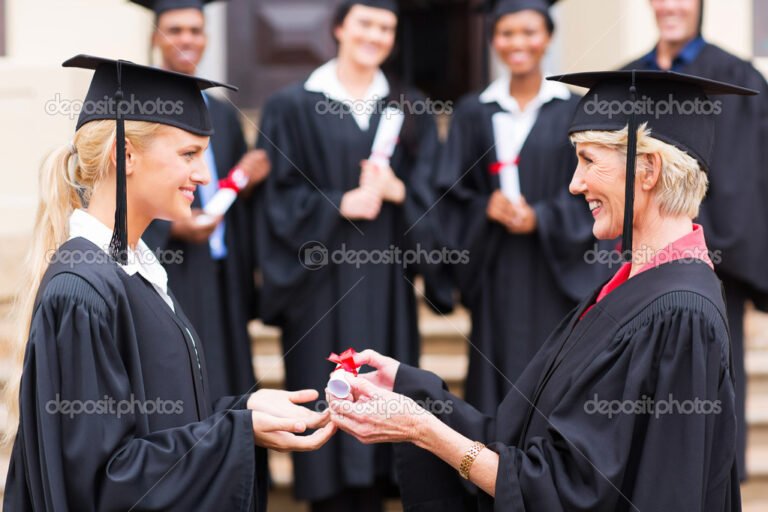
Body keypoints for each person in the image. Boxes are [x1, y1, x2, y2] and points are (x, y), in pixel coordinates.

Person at [328, 70, 755, 511]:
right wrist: (411, 390)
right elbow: (527, 439)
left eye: (589, 160)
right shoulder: (629, 287)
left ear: (648, 170)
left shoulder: (680, 314)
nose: (575, 183)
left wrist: (423, 430)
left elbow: (574, 491)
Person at [3, 55, 335, 511]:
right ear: (126, 156)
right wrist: (236, 432)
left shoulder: (137, 271)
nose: (204, 175)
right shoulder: (82, 291)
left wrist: (242, 414)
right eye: (188, 155)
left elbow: (158, 424)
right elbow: (102, 484)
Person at [255, 0, 449, 509]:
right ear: (340, 27)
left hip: (386, 288)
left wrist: (400, 193)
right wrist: (338, 203)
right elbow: (275, 200)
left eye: (386, 27)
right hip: (318, 290)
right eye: (365, 23)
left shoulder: (412, 108)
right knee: (326, 408)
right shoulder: (291, 107)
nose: (376, 35)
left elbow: (439, 195)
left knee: (385, 399)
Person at [436, 0, 611, 415]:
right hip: (497, 273)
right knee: (498, 383)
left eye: (530, 32)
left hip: (558, 276)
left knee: (559, 379)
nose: (518, 43)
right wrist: (484, 208)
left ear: (548, 38)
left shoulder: (576, 109)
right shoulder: (472, 112)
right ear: (493, 40)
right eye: (507, 33)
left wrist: (542, 217)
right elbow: (450, 197)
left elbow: (601, 190)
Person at [621, 0, 768, 480]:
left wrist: (704, 245)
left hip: (717, 264)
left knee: (711, 385)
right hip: (636, 259)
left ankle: (712, 486)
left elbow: (753, 176)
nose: (670, 5)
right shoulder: (627, 78)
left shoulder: (740, 79)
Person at [132, 0, 271, 402]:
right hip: (167, 262)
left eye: (195, 30)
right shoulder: (139, 109)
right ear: (155, 37)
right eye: (175, 30)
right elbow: (119, 184)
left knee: (226, 371)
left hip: (220, 266)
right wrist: (171, 225)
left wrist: (245, 180)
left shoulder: (223, 113)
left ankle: (230, 456)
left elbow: (219, 187)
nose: (187, 39)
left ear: (207, 38)